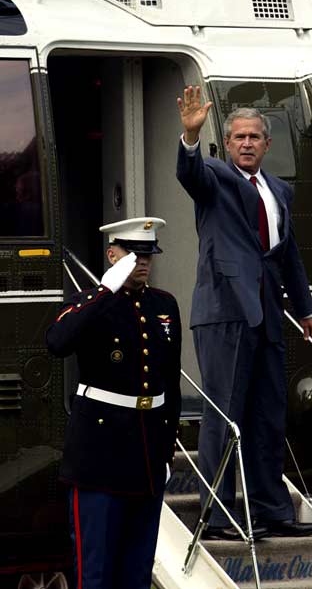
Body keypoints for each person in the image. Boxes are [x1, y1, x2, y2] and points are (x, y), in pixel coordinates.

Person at [176, 85, 312, 541]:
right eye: (238, 136)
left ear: (266, 143)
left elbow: (288, 256)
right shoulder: (215, 178)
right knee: (224, 415)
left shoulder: (279, 190)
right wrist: (189, 138)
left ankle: (271, 511)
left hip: (269, 317)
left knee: (267, 416)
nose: (245, 143)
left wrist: (307, 311)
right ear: (228, 140)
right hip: (224, 313)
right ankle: (216, 518)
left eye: (254, 137)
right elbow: (190, 174)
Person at [46, 217, 181, 589]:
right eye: (132, 254)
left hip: (146, 457)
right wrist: (104, 291)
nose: (142, 262)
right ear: (112, 254)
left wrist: (165, 450)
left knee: (136, 572)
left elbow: (169, 382)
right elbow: (57, 342)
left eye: (148, 255)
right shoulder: (90, 304)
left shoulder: (163, 305)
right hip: (99, 457)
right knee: (96, 571)